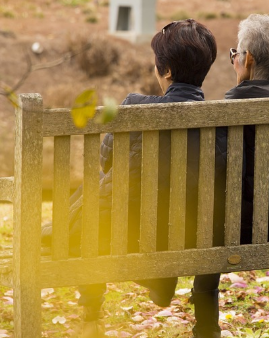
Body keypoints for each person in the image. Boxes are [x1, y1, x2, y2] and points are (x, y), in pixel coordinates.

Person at [41, 19, 218, 321]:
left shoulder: (135, 106)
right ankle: (197, 320)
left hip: (130, 234)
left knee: (97, 192)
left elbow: (107, 160)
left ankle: (90, 323)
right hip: (196, 234)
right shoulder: (220, 119)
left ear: (167, 72)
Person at [190, 13, 269, 338]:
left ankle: (207, 332)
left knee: (209, 229)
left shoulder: (231, 109)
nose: (234, 60)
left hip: (234, 231)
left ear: (250, 60)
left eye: (235, 54)